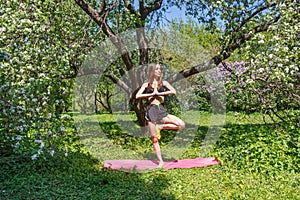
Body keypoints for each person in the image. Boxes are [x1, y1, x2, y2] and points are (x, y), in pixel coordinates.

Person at [135, 63, 185, 168]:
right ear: (152, 71)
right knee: (154, 139)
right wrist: (151, 94)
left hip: (161, 110)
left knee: (181, 125)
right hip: (151, 111)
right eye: (157, 69)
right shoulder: (146, 85)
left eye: (160, 69)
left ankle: (161, 127)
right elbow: (137, 95)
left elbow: (173, 91)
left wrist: (161, 94)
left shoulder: (164, 83)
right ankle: (160, 161)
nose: (159, 71)